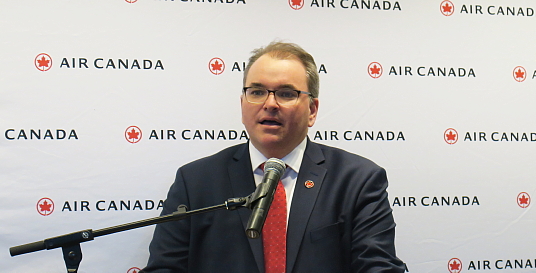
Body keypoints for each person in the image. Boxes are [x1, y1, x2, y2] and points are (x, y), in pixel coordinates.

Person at [141, 41, 406, 272]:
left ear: (312, 110)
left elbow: (378, 267)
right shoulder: (195, 181)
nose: (269, 103)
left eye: (286, 94)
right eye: (256, 92)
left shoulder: (357, 180)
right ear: (243, 104)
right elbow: (165, 267)